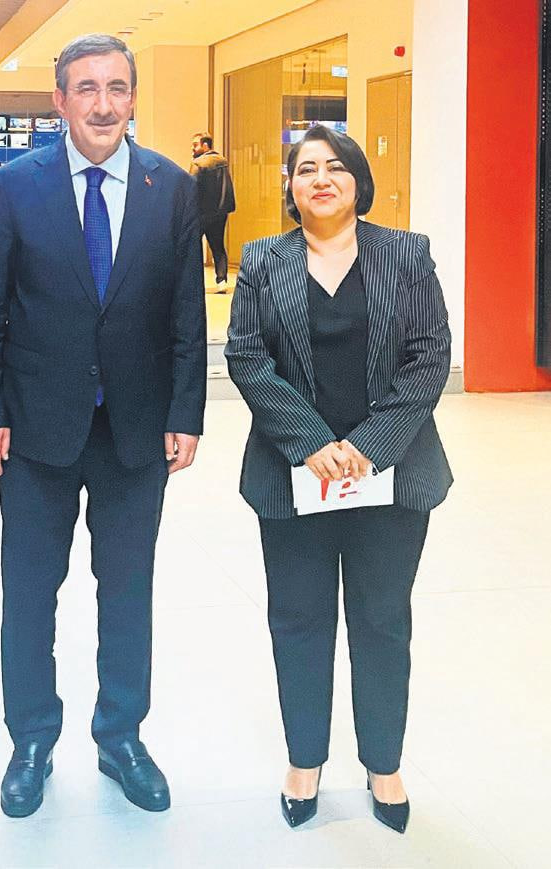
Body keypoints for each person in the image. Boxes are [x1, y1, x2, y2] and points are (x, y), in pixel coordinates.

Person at [0, 33, 206, 819]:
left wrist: (186, 411)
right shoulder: (15, 184)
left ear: (132, 96)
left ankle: (121, 736)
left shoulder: (171, 186)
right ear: (59, 100)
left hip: (137, 429)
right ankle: (31, 740)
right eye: (86, 88)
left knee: (128, 591)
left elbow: (185, 312)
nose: (103, 104)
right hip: (34, 429)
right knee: (30, 592)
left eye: (116, 87)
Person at [224, 125, 452, 834]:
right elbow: (245, 356)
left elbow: (430, 354)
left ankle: (383, 763)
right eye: (304, 169)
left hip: (392, 475)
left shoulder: (406, 255)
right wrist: (314, 444)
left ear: (357, 180)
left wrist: (367, 446)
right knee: (298, 618)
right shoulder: (263, 260)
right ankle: (304, 761)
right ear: (290, 187)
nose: (319, 179)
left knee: (381, 620)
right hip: (293, 476)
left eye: (334, 167)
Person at [190, 132, 234, 290]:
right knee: (218, 246)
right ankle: (222, 280)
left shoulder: (198, 164)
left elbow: (191, 187)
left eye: (195, 145)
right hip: (220, 212)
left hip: (201, 212)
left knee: (193, 247)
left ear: (205, 145)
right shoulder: (223, 161)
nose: (192, 148)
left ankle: (194, 281)